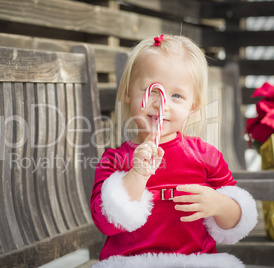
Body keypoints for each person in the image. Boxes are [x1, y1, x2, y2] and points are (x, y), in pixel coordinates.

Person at [90, 34, 258, 267]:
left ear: (193, 106)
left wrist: (219, 204)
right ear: (128, 92)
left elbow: (234, 223)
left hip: (195, 261)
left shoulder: (206, 156)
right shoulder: (114, 159)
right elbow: (105, 222)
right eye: (152, 90)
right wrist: (137, 174)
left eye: (176, 95)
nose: (161, 104)